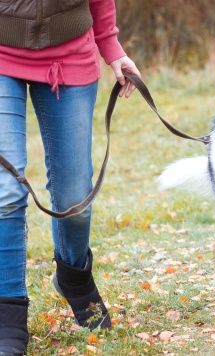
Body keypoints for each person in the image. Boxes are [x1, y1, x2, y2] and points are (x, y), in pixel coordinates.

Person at [0, 1, 141, 354]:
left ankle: (74, 279)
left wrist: (112, 49)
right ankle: (8, 314)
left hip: (69, 54)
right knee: (6, 191)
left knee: (75, 198)